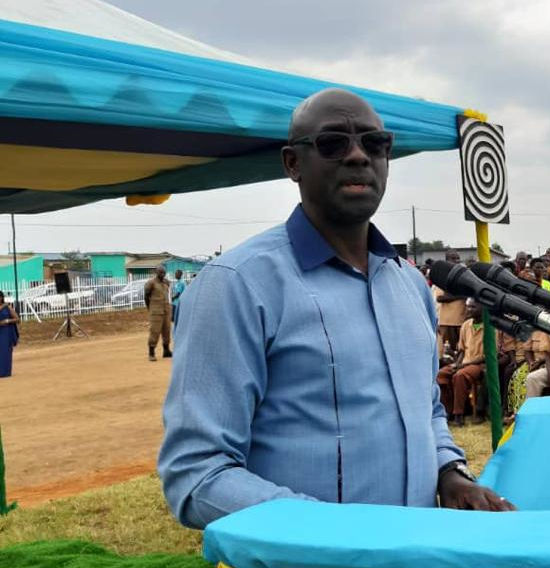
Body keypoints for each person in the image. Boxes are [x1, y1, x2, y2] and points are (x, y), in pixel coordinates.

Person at [159, 89, 513, 530]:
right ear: (292, 163)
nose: (358, 156)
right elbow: (197, 474)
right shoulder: (237, 284)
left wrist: (450, 474)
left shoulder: (409, 285)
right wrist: (332, 535)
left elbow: (428, 413)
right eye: (333, 144)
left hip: (417, 552)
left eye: (374, 144)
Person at [436, 300, 485, 426]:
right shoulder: (466, 325)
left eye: (472, 307)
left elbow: (488, 356)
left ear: (482, 308)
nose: (468, 310)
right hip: (464, 362)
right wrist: (456, 364)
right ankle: (447, 411)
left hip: (479, 364)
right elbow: (462, 350)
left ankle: (459, 414)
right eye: (468, 307)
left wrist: (462, 366)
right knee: (441, 375)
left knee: (460, 376)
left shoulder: (491, 328)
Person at [434, 250, 467, 350]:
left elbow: (469, 295)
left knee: (462, 349)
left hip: (462, 321)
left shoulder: (464, 275)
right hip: (446, 322)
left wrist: (451, 295)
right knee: (448, 351)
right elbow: (440, 298)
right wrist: (460, 294)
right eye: (453, 258)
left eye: (458, 258)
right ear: (446, 260)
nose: (456, 261)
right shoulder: (442, 276)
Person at [144, 266, 173, 362]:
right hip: (156, 311)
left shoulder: (166, 283)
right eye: (160, 272)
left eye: (164, 272)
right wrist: (150, 308)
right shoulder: (151, 283)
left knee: (167, 331)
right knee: (155, 331)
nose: (162, 274)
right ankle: (151, 353)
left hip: (166, 310)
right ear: (156, 272)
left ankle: (166, 350)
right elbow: (146, 296)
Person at [0, 291, 19, 378]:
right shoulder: (4, 306)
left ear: (1, 298)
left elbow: (17, 319)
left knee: (5, 352)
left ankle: (5, 371)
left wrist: (7, 321)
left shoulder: (7, 307)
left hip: (6, 332)